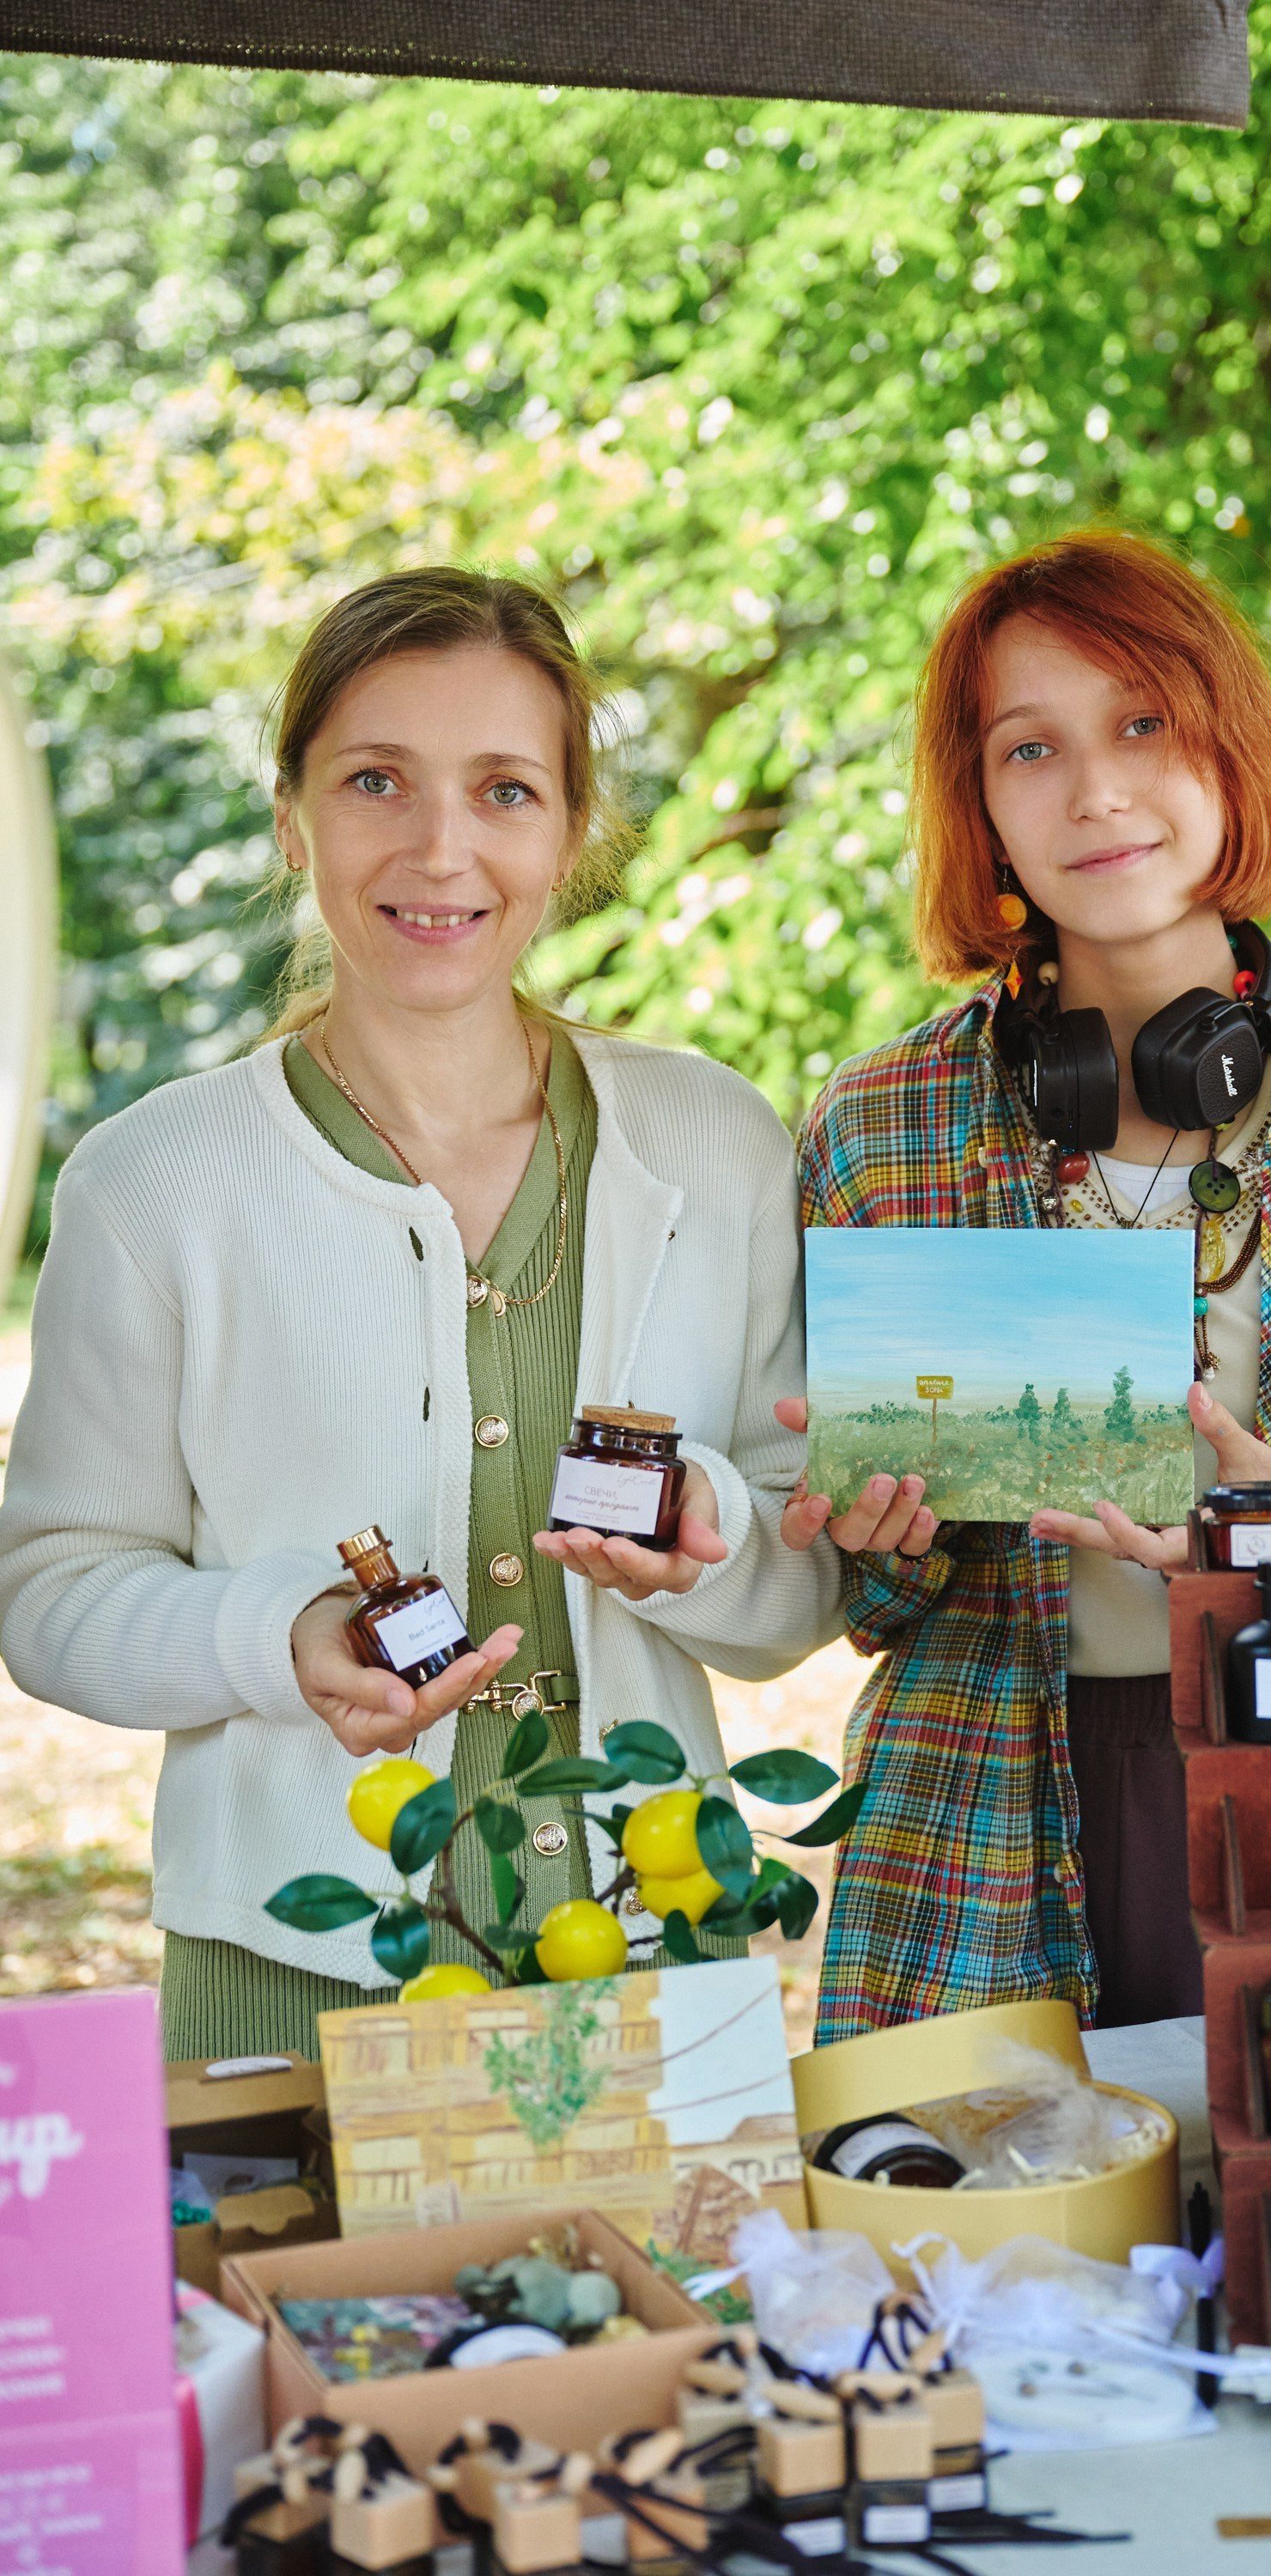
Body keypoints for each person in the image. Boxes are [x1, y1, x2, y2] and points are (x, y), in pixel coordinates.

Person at [0, 568, 840, 2059]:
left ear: (573, 832)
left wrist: (704, 1529)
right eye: (375, 780)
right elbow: (51, 1597)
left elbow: (799, 1603)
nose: (439, 848)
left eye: (505, 789)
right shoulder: (156, 1182)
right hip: (292, 1974)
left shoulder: (716, 1143)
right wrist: (282, 1634)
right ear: (294, 813)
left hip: (662, 1958)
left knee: (688, 2307)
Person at [780, 528, 1271, 2044]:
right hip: (980, 1825)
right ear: (983, 808)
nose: (1096, 791)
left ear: (1232, 745)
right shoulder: (878, 1125)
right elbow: (873, 1601)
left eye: (1143, 724)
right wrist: (872, 1531)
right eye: (1033, 748)